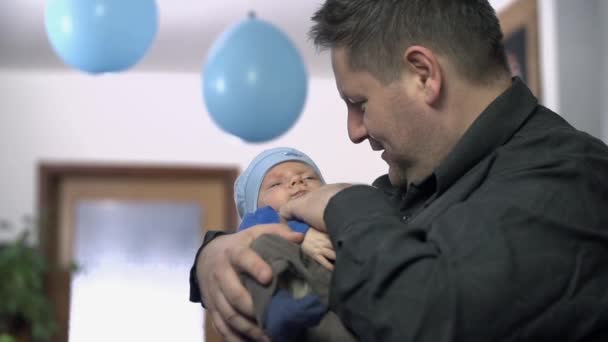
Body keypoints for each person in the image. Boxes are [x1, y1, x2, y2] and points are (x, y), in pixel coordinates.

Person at [190, 1, 608, 341]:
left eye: (359, 103)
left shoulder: (571, 178)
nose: (354, 131)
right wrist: (212, 257)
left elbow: (425, 320)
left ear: (423, 76)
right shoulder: (412, 187)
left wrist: (342, 202)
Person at [233, 146, 355, 341]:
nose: (297, 181)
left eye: (309, 178)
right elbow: (249, 233)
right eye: (275, 184)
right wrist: (301, 233)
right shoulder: (261, 217)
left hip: (337, 302)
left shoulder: (336, 217)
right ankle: (276, 305)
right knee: (263, 242)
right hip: (290, 290)